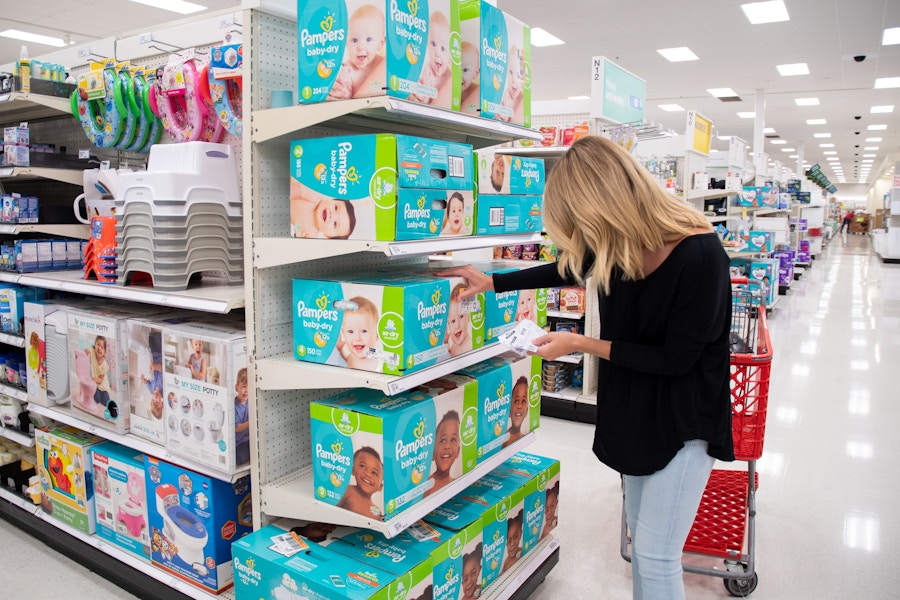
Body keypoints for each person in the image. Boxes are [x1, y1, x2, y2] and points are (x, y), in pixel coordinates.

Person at [437, 135, 734, 600]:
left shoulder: (700, 255)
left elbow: (678, 360)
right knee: (642, 541)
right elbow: (567, 268)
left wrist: (580, 343)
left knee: (657, 558)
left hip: (683, 419)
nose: (580, 236)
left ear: (606, 206)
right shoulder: (619, 242)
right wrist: (493, 281)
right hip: (635, 411)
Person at [328, 4, 386, 100]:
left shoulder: (382, 65)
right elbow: (340, 94)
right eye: (354, 40)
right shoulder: (346, 71)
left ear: (381, 43)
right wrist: (344, 95)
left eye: (368, 39)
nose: (360, 47)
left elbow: (388, 88)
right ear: (346, 43)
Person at [290, 178, 358, 239]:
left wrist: (297, 233)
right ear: (332, 199)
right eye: (336, 208)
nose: (332, 215)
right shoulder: (314, 197)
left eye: (335, 224)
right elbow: (292, 190)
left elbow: (297, 222)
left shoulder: (311, 234)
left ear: (327, 236)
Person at [410, 11, 452, 105]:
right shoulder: (428, 72)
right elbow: (425, 100)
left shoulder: (450, 75)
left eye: (443, 48)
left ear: (450, 56)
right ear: (427, 45)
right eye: (433, 44)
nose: (437, 52)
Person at [337, 445, 384, 518]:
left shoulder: (376, 510)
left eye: (374, 473)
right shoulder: (348, 491)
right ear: (353, 470)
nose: (368, 474)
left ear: (380, 486)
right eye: (363, 466)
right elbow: (333, 510)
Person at [336, 296, 380, 370]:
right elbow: (344, 366)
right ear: (343, 334)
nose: (357, 338)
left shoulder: (380, 361)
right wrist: (340, 350)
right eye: (350, 331)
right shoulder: (351, 357)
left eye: (364, 331)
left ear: (377, 334)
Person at [424, 410, 461, 497]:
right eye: (443, 440)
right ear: (432, 453)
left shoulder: (456, 481)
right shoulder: (424, 487)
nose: (447, 446)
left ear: (458, 451)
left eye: (453, 440)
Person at [445, 284, 472, 357]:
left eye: (461, 316)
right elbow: (451, 358)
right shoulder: (454, 344)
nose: (457, 325)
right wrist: (446, 343)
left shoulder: (470, 345)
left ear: (469, 317)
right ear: (448, 324)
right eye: (453, 321)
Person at [503, 376, 528, 448]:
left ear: (527, 410)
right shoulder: (503, 440)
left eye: (523, 401)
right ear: (509, 409)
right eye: (516, 401)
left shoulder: (524, 436)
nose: (519, 406)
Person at [86, 335, 111, 407]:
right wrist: (86, 351)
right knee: (96, 399)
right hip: (96, 386)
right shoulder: (93, 353)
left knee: (106, 402)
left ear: (104, 352)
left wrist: (93, 379)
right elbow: (87, 352)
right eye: (98, 345)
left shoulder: (104, 365)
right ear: (95, 345)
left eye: (102, 347)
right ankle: (98, 398)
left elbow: (100, 380)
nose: (99, 348)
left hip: (103, 388)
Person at [234, 367, 250, 465]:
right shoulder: (234, 407)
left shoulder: (250, 401)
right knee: (241, 457)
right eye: (244, 386)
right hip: (239, 443)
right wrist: (250, 422)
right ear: (237, 388)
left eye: (249, 387)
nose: (247, 391)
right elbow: (237, 428)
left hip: (249, 439)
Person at [459, 41, 480, 114]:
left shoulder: (474, 91)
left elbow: (479, 110)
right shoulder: (448, 85)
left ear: (475, 74)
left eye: (465, 70)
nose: (459, 76)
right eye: (456, 68)